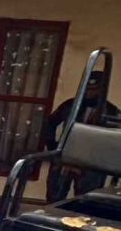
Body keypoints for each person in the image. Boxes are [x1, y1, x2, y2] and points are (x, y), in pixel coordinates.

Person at [43, 69, 120, 203]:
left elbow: (115, 140)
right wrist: (53, 147)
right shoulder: (70, 105)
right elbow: (50, 123)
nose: (89, 92)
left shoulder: (111, 111)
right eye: (87, 88)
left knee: (87, 202)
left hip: (91, 163)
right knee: (54, 199)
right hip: (65, 159)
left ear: (101, 90)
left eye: (94, 89)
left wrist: (103, 158)